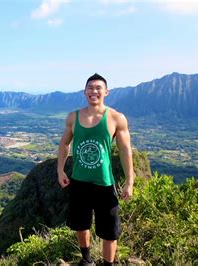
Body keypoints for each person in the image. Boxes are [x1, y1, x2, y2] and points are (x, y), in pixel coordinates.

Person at [57, 73, 134, 265]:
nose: (94, 91)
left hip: (105, 183)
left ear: (106, 92)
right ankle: (87, 260)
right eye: (90, 88)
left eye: (98, 88)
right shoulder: (73, 117)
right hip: (79, 181)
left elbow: (125, 150)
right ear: (85, 92)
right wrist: (60, 170)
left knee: (109, 231)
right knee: (81, 225)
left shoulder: (116, 118)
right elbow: (64, 144)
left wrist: (129, 181)